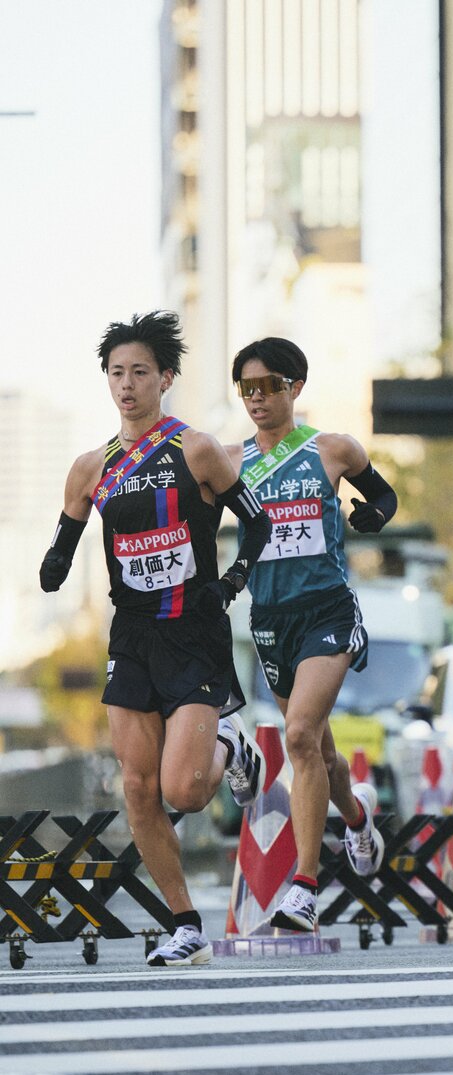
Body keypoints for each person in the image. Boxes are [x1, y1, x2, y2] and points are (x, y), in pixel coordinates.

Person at [39, 311, 271, 966]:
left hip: (193, 630)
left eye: (140, 371)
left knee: (185, 791)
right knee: (138, 787)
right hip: (133, 635)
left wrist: (232, 581)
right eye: (117, 372)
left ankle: (232, 744)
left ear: (165, 377)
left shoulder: (195, 449)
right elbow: (63, 547)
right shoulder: (91, 466)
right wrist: (52, 567)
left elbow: (257, 527)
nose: (127, 383)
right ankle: (186, 922)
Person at [225, 337, 395, 932]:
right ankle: (356, 818)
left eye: (269, 385)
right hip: (271, 620)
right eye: (247, 388)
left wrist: (373, 515)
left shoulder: (333, 449)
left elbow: (384, 495)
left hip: (327, 610)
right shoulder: (230, 462)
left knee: (297, 737)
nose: (257, 398)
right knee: (318, 750)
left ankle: (303, 889)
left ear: (295, 387)